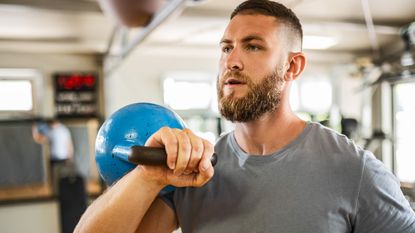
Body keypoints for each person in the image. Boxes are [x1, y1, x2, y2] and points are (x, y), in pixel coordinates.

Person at [75, 0, 415, 232]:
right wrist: (150, 177)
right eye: (226, 47)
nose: (231, 61)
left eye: (253, 46)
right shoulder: (196, 172)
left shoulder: (353, 170)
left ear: (292, 66)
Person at [32, 119, 74, 191]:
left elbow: (69, 144)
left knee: (63, 179)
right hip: (55, 159)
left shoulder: (61, 130)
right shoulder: (53, 131)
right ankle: (57, 193)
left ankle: (60, 192)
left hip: (63, 158)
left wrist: (70, 157)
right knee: (56, 181)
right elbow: (39, 138)